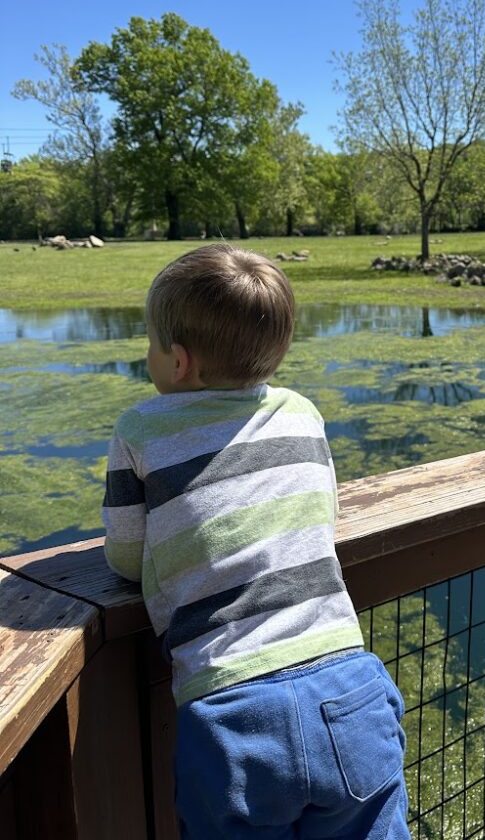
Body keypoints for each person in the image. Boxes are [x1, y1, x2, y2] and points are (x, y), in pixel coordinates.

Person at [102, 243, 409, 839]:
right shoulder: (303, 412)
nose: (146, 356)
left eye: (149, 344)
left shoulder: (139, 429)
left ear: (179, 362)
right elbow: (323, 507)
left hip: (231, 715)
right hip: (352, 690)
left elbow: (124, 555)